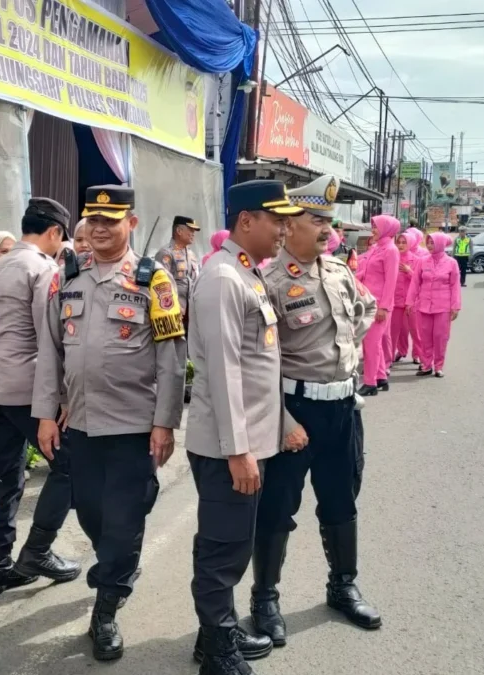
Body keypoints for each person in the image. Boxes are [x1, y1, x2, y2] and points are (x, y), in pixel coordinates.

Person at [32, 185, 186, 662]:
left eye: (111, 220)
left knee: (122, 519)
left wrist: (164, 424)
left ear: (131, 224)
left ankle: (105, 607)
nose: (100, 229)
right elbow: (50, 352)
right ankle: (119, 563)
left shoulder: (153, 280)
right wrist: (44, 416)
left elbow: (172, 360)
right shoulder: (66, 277)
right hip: (78, 424)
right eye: (93, 221)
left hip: (132, 427)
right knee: (88, 512)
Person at [253, 175, 381, 649]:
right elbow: (259, 362)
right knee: (278, 509)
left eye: (329, 220)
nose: (327, 229)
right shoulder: (267, 282)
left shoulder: (339, 271)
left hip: (342, 409)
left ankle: (342, 586)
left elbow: (366, 310)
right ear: (288, 225)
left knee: (341, 501)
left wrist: (345, 357)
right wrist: (283, 419)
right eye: (317, 219)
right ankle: (265, 599)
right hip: (294, 411)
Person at [186, 180, 302, 675]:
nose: (284, 229)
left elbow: (259, 366)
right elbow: (224, 369)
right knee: (222, 548)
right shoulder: (223, 279)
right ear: (245, 221)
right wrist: (239, 450)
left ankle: (218, 629)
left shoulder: (245, 274)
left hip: (248, 439)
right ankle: (217, 651)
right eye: (276, 220)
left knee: (232, 542)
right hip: (226, 447)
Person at [0, 197, 80, 595]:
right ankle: (38, 549)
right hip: (31, 387)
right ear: (55, 231)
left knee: (4, 477)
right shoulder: (42, 269)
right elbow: (49, 335)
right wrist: (61, 398)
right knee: (69, 466)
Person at [356, 216, 400, 396]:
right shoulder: (375, 248)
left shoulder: (391, 250)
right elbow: (364, 272)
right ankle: (381, 377)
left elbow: (391, 281)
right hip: (368, 302)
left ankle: (370, 382)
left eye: (376, 227)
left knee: (370, 343)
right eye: (373, 227)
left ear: (387, 229)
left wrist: (384, 307)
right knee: (374, 343)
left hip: (379, 305)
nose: (373, 230)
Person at [407, 232, 461, 378]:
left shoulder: (451, 263)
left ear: (441, 244)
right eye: (428, 243)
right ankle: (426, 365)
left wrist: (455, 306)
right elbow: (415, 283)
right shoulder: (422, 261)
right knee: (425, 336)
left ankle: (438, 366)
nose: (430, 246)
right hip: (424, 305)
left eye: (433, 243)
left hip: (443, 306)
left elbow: (455, 285)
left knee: (440, 336)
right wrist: (410, 302)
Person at [154, 216, 202, 329]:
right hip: (174, 312)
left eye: (194, 231)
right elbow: (161, 284)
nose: (193, 234)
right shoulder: (166, 253)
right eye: (190, 230)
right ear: (179, 231)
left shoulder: (191, 254)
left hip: (191, 313)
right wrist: (174, 307)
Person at [391, 230, 420, 363]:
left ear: (410, 244)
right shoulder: (392, 257)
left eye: (404, 242)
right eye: (399, 242)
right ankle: (395, 353)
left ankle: (417, 354)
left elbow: (421, 280)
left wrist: (409, 271)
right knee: (396, 330)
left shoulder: (417, 260)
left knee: (415, 330)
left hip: (411, 301)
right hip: (396, 300)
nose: (401, 245)